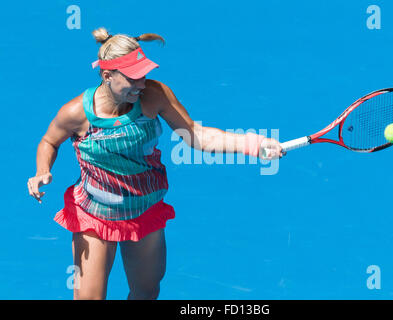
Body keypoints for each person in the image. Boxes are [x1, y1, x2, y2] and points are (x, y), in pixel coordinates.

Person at [27, 27, 285, 300]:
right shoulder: (76, 113)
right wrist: (42, 171)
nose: (141, 84)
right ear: (107, 76)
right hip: (95, 212)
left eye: (144, 75)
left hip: (144, 209)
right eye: (133, 78)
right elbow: (49, 142)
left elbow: (197, 136)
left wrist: (253, 144)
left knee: (146, 293)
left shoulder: (155, 95)